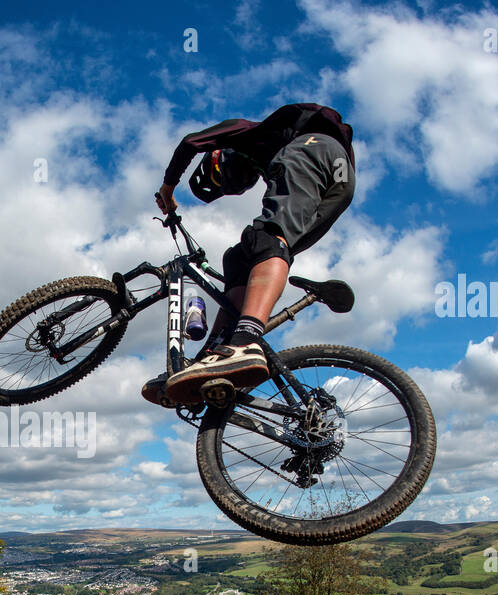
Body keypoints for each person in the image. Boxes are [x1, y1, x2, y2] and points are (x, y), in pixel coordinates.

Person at [143, 103, 356, 406]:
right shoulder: (270, 161)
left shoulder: (246, 133)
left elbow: (190, 142)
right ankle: (214, 354)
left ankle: (246, 340)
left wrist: (168, 187)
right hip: (338, 186)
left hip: (316, 150)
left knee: (267, 238)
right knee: (242, 256)